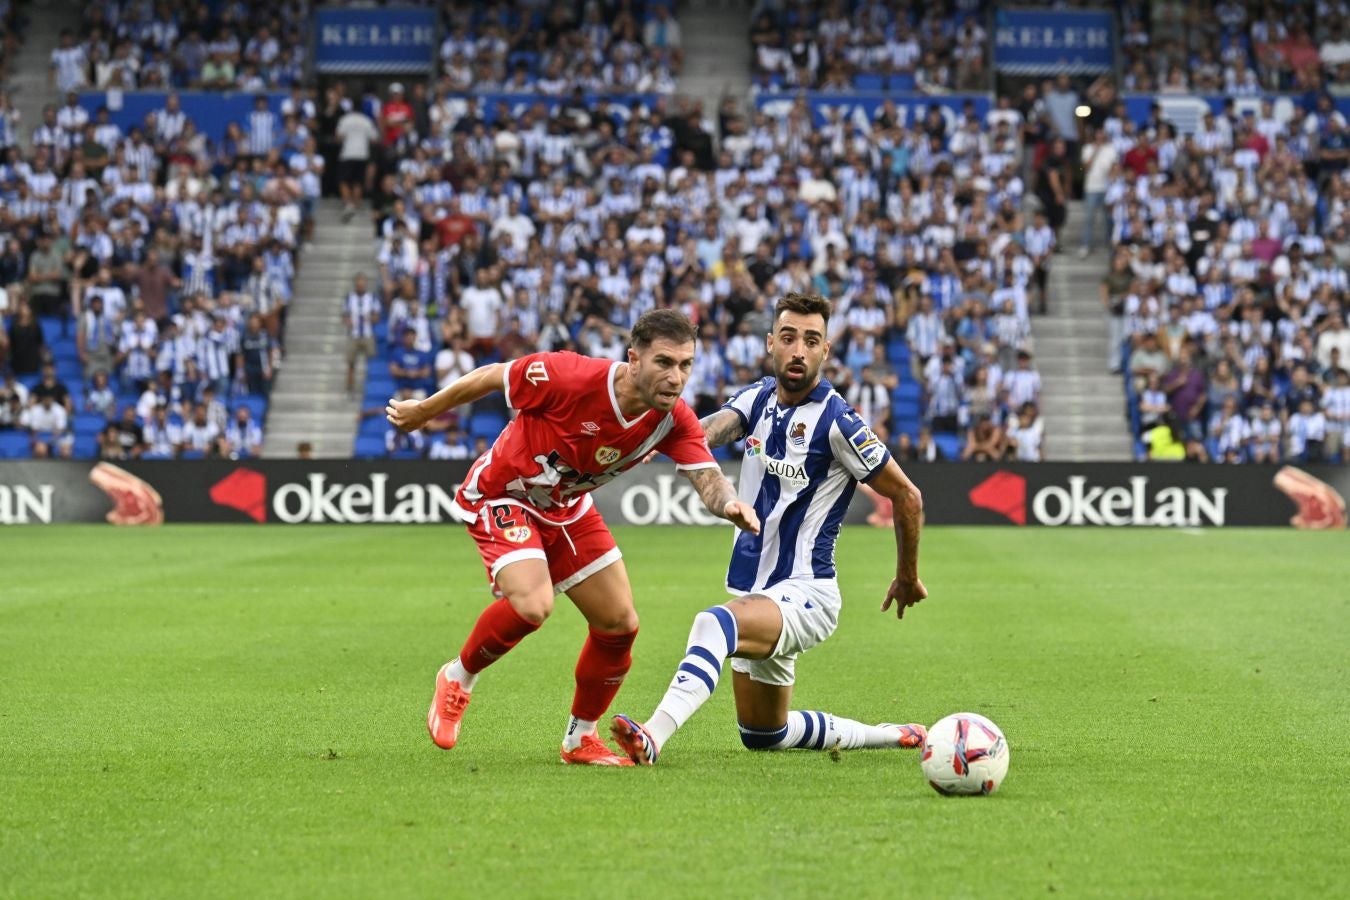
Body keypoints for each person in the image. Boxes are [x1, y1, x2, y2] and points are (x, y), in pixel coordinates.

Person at [385, 309, 760, 766]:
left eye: (685, 365)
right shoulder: (569, 375)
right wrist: (424, 411)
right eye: (664, 362)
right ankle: (458, 677)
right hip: (505, 492)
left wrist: (729, 504)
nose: (676, 377)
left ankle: (579, 738)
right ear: (634, 359)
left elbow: (708, 477)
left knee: (619, 624)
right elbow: (491, 376)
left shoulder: (672, 420)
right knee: (533, 604)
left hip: (566, 509)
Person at [609, 293, 928, 766]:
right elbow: (717, 425)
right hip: (754, 587)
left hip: (806, 591)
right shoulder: (758, 396)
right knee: (764, 733)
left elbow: (908, 496)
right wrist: (673, 435)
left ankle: (652, 736)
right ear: (770, 344)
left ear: (825, 351)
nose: (799, 350)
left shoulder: (839, 422)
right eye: (789, 337)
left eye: (811, 340)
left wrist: (906, 575)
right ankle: (892, 735)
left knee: (712, 623)